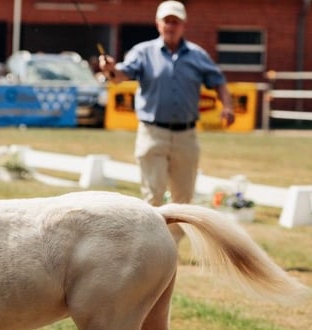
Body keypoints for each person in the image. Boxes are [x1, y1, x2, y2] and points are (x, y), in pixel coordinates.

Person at [98, 0, 235, 236]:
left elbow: (218, 81)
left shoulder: (197, 55)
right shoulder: (143, 52)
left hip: (186, 135)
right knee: (153, 196)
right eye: (167, 21)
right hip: (153, 133)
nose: (171, 26)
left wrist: (228, 107)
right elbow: (120, 75)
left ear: (183, 25)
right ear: (158, 24)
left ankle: (172, 252)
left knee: (183, 201)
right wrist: (109, 69)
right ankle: (152, 251)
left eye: (176, 21)